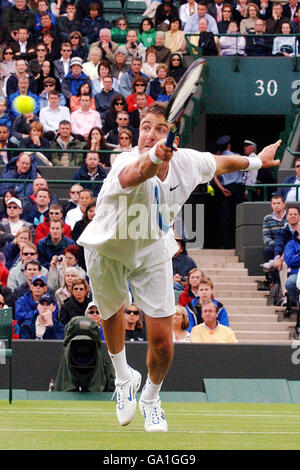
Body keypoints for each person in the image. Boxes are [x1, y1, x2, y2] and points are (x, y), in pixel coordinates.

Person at [77, 103, 280, 432]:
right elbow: (139, 171)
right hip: (108, 248)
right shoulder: (125, 162)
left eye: (159, 128)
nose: (150, 133)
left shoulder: (186, 161)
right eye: (145, 126)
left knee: (163, 343)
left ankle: (151, 398)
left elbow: (219, 161)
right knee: (111, 314)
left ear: (171, 135)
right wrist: (156, 155)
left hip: (153, 248)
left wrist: (257, 160)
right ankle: (123, 378)